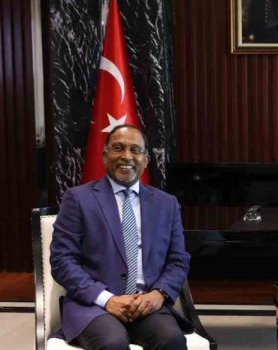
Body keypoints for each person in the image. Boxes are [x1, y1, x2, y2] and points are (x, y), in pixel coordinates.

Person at [50, 125, 191, 350]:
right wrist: (106, 298)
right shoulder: (78, 199)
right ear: (104, 155)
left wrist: (159, 293)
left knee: (171, 340)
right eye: (118, 148)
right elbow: (62, 260)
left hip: (146, 304)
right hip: (94, 305)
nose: (127, 156)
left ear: (146, 160)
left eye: (135, 150)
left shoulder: (167, 204)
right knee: (112, 343)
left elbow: (178, 259)